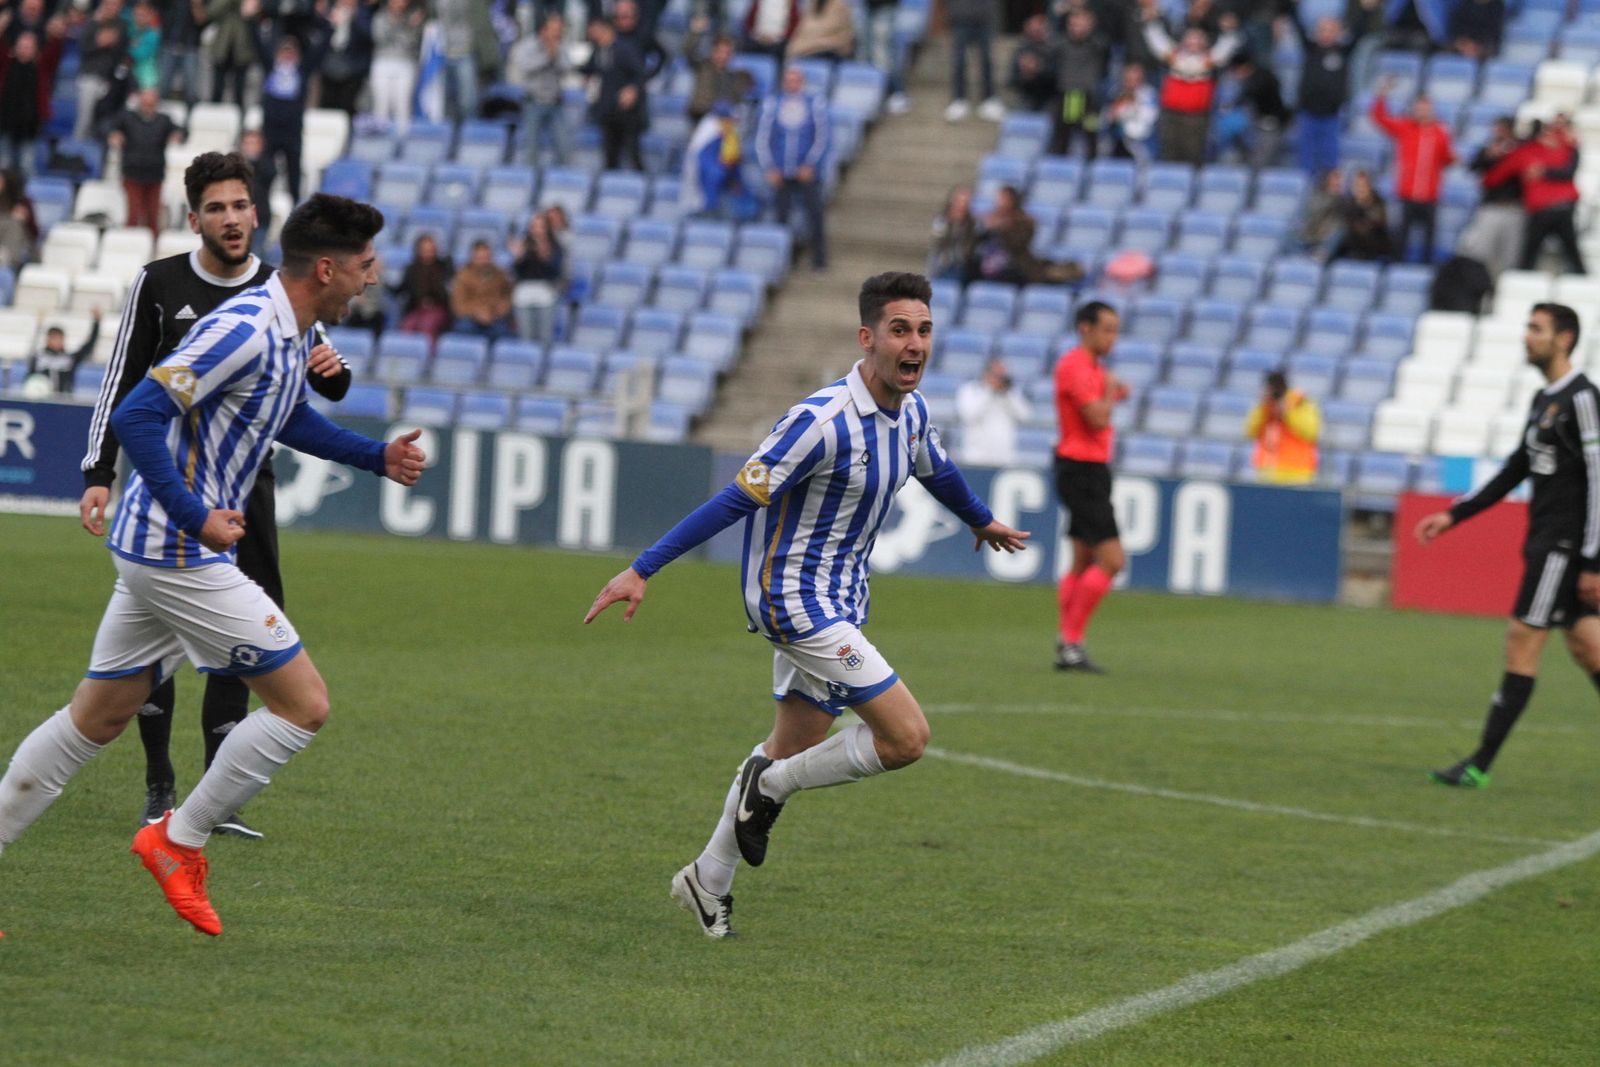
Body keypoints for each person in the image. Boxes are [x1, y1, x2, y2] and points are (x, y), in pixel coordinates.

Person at [1, 193, 425, 937]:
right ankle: (179, 838)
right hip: (178, 547)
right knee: (305, 704)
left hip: (154, 545)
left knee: (95, 717)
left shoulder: (288, 324)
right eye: (363, 265)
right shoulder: (246, 328)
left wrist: (375, 457)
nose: (371, 277)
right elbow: (137, 413)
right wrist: (197, 513)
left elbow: (283, 414)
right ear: (326, 268)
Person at [583, 271, 1029, 938]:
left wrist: (982, 519)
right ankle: (771, 788)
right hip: (792, 600)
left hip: (843, 601)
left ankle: (707, 878)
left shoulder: (912, 413)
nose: (916, 344)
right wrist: (643, 568)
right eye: (901, 330)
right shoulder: (819, 422)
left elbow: (937, 469)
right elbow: (736, 496)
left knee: (792, 744)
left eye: (925, 330)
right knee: (906, 738)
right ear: (867, 337)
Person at [79, 152, 354, 838]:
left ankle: (213, 793)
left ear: (256, 212)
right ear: (195, 216)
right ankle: (159, 786)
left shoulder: (281, 286)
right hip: (175, 493)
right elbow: (125, 385)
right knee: (161, 637)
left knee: (248, 633)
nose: (231, 219)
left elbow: (318, 386)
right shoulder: (160, 282)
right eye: (216, 208)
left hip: (247, 489)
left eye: (240, 205)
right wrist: (96, 471)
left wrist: (332, 372)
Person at [1415, 303, 1600, 789]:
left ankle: (1478, 765)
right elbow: (1516, 467)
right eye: (1527, 327)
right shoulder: (1545, 400)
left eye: (1536, 329)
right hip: (1546, 544)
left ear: (1564, 339)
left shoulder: (1583, 399)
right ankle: (1478, 764)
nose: (1526, 337)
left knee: (1521, 639)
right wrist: (1454, 514)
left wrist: (1594, 559)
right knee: (1588, 647)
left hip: (1564, 549)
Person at [1053, 300, 1131, 674]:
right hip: (1081, 471)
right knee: (1113, 561)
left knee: (1082, 561)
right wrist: (1111, 392)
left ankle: (1067, 643)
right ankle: (1071, 642)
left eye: (1115, 330)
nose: (1112, 337)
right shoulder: (1075, 365)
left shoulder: (1091, 368)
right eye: (1107, 328)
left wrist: (1112, 388)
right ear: (1085, 328)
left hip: (1087, 470)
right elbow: (1097, 418)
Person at [250, 3, 331, 207]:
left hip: (292, 132)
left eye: (291, 51)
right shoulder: (272, 69)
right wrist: (252, 19)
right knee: (265, 173)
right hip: (270, 131)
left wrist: (327, 24)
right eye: (284, 51)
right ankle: (261, 207)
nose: (287, 55)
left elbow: (320, 50)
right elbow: (258, 44)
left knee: (293, 176)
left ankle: (295, 210)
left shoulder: (301, 72)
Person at [1140, 0, 1239, 165]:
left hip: (1197, 117)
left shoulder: (1209, 60)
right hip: (1171, 114)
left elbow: (1226, 48)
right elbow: (1157, 42)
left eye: (1198, 39)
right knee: (1169, 153)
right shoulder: (1175, 56)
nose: (1194, 42)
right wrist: (1152, 22)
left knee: (1193, 154)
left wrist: (1229, 31)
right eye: (1191, 38)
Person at [1484, 118, 1586, 275]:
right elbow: (1494, 177)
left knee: (1569, 252)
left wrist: (1544, 171)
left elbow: (1569, 171)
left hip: (1560, 208)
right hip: (1544, 210)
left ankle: (1582, 282)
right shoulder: (1530, 152)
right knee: (1532, 253)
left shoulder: (1564, 150)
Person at [757, 65, 831, 271]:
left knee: (815, 215)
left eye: (795, 79)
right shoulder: (773, 104)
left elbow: (822, 138)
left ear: (802, 82)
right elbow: (763, 139)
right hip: (781, 172)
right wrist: (770, 167)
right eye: (788, 80)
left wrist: (810, 165)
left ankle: (819, 261)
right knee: (781, 216)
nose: (792, 84)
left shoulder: (814, 104)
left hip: (806, 172)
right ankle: (782, 263)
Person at [1370, 92, 1456, 263]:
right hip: (1407, 192)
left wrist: (1452, 158)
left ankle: (1425, 267)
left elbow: (1446, 158)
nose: (1422, 112)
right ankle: (1398, 265)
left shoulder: (1440, 132)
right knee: (1402, 233)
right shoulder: (1405, 128)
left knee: (1428, 236)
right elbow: (1379, 119)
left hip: (1430, 194)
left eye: (1426, 109)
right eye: (1419, 109)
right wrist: (1381, 97)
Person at [109, 88, 185, 238]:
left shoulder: (164, 120)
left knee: (153, 217)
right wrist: (113, 134)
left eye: (151, 104)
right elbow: (108, 127)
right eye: (145, 103)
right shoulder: (127, 118)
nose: (147, 107)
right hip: (132, 173)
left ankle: (152, 248)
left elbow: (182, 130)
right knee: (133, 215)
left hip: (155, 174)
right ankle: (129, 243)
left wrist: (178, 135)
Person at [1459, 115, 1525, 278]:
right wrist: (1489, 156)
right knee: (1482, 253)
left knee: (1509, 257)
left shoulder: (1522, 149)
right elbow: (1472, 167)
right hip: (1491, 206)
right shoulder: (1488, 149)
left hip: (1515, 208)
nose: (1496, 133)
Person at [0, 20, 66, 177]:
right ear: (15, 47)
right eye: (22, 46)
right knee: (3, 164)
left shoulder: (41, 68)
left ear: (35, 50)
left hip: (30, 126)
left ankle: (24, 199)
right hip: (5, 123)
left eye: (28, 46)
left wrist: (56, 35)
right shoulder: (6, 65)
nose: (24, 49)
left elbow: (54, 54)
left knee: (26, 165)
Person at [583, 16, 649, 171]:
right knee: (610, 155)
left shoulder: (624, 48)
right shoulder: (599, 51)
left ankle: (641, 186)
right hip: (607, 110)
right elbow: (591, 70)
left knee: (633, 153)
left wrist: (632, 89)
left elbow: (639, 73)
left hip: (626, 111)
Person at [507, 9, 571, 166]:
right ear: (544, 29)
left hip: (555, 103)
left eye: (559, 30)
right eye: (554, 30)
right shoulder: (529, 45)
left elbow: (566, 68)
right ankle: (531, 184)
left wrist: (554, 54)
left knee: (563, 147)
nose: (557, 34)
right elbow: (525, 65)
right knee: (531, 150)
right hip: (533, 102)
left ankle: (559, 183)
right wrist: (546, 56)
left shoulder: (561, 46)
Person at [1050, 7, 1111, 159]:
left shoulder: (1098, 43)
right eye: (1072, 24)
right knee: (1064, 137)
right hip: (1068, 96)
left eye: (1079, 24)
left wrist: (1089, 33)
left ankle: (1091, 168)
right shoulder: (1061, 44)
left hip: (1089, 98)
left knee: (1091, 136)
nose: (1075, 28)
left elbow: (1106, 52)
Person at [682, 101, 758, 221]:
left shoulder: (727, 132)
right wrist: (723, 170)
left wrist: (734, 176)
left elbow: (734, 160)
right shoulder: (709, 131)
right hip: (705, 185)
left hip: (723, 184)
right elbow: (705, 165)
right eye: (727, 119)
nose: (731, 122)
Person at [1214, 50, 1289, 168]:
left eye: (1236, 71)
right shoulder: (1259, 76)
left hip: (1271, 124)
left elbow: (1249, 93)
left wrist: (1231, 105)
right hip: (1258, 125)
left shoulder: (1261, 78)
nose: (1236, 75)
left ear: (1244, 67)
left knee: (1262, 162)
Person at [1245, 369, 1319, 484]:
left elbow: (1311, 432)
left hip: (1297, 470)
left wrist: (1288, 412)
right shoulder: (1265, 405)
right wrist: (1263, 407)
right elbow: (1249, 432)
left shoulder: (1300, 402)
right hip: (1267, 469)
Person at [955, 357, 1030, 468]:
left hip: (1004, 458)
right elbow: (969, 415)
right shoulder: (971, 390)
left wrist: (1007, 394)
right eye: (997, 375)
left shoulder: (1010, 394)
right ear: (987, 374)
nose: (1000, 379)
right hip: (976, 458)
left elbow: (1025, 416)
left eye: (1003, 376)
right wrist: (990, 391)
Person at [369, 0, 425, 136]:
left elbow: (411, 41)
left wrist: (409, 25)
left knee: (403, 106)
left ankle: (402, 143)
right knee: (381, 106)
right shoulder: (380, 16)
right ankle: (380, 142)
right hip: (382, 62)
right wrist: (401, 25)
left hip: (405, 63)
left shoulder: (414, 17)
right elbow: (380, 37)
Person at [945, 0, 1005, 123]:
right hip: (961, 18)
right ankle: (959, 99)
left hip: (985, 18)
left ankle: (989, 98)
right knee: (959, 61)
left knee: (987, 59)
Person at [510, 210, 565, 344]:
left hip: (545, 295)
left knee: (545, 338)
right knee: (526, 338)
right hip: (524, 295)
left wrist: (545, 257)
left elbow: (556, 273)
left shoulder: (556, 247)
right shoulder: (524, 246)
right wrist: (518, 258)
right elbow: (517, 273)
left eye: (541, 226)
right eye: (535, 226)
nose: (538, 230)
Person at [685, 24, 754, 125]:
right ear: (713, 51)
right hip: (699, 115)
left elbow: (740, 95)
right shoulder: (702, 66)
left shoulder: (735, 75)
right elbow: (688, 52)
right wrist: (695, 33)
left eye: (727, 53)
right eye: (720, 51)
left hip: (722, 119)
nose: (723, 56)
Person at [450, 238, 514, 340]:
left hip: (495, 317)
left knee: (504, 331)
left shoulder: (500, 274)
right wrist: (477, 313)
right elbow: (458, 305)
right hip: (470, 318)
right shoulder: (462, 276)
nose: (484, 261)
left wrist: (497, 311)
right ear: (473, 258)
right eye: (480, 258)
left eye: (487, 257)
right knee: (464, 328)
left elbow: (508, 297)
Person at [27, 311, 101, 396]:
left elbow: (88, 346)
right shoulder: (39, 358)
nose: (57, 342)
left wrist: (96, 323)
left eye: (59, 338)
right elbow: (30, 379)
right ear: (48, 339)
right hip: (42, 401)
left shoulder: (69, 359)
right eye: (54, 338)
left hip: (64, 401)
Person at [397, 232, 453, 338]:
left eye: (431, 249)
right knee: (407, 327)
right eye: (425, 249)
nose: (429, 252)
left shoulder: (444, 267)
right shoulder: (412, 269)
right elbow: (401, 289)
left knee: (427, 326)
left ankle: (428, 353)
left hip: (437, 308)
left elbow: (446, 291)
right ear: (419, 250)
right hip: (416, 308)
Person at [1331, 168, 1393, 261]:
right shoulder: (1348, 203)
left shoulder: (1378, 202)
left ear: (1370, 187)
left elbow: (1374, 224)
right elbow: (1345, 222)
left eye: (1363, 186)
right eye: (1357, 186)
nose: (1360, 189)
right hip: (1350, 248)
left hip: (1373, 249)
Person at [1104, 62, 1159, 165]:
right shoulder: (1116, 92)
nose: (1131, 83)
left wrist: (1129, 110)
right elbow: (1108, 116)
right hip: (1119, 140)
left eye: (1135, 80)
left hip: (1141, 140)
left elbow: (1149, 117)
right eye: (1128, 79)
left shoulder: (1149, 94)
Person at [1008, 13, 1059, 114]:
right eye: (1033, 30)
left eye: (1039, 30)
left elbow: (1058, 78)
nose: (1036, 33)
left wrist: (1038, 70)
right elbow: (1012, 80)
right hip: (1028, 97)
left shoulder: (1055, 49)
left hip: (1049, 97)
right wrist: (1026, 75)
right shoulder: (1021, 50)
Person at [928, 185, 977, 283]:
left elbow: (970, 246)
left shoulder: (973, 223)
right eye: (959, 200)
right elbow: (938, 240)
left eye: (965, 201)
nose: (961, 205)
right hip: (942, 262)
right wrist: (952, 224)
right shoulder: (943, 219)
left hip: (961, 264)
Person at [786, 0, 853, 64]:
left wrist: (805, 46)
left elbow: (826, 31)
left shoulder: (839, 5)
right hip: (807, 51)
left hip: (828, 52)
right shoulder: (812, 6)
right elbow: (802, 32)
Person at [0, 167, 40, 267]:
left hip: (21, 243)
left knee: (14, 224)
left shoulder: (23, 202)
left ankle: (7, 258)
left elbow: (35, 233)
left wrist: (26, 219)